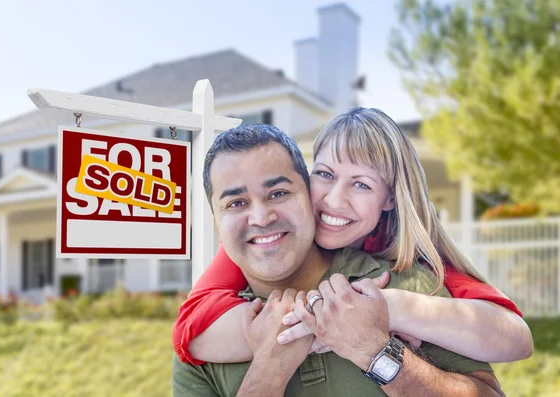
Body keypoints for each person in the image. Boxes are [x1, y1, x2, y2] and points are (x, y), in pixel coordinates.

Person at [172, 108, 533, 366]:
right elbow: (190, 327)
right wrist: (325, 323)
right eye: (326, 174)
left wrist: (390, 308)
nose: (333, 199)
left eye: (361, 184)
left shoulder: (411, 259)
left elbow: (515, 338)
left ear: (391, 198)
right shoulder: (276, 237)